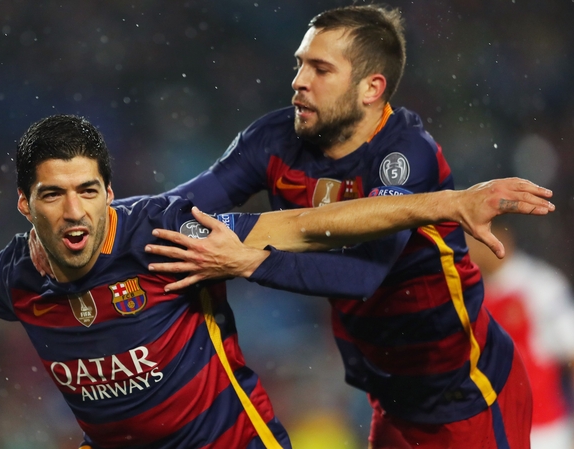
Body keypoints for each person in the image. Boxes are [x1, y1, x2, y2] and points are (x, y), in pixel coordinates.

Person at [0, 115, 552, 449]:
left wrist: (447, 202)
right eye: (54, 193)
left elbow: (312, 225)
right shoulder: (16, 274)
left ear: (108, 190)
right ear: (25, 203)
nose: (75, 210)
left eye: (89, 190)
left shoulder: (165, 231)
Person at [118, 4, 540, 448]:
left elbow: (362, 274)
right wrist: (105, 218)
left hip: (466, 394)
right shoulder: (273, 139)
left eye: (321, 69)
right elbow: (179, 207)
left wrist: (248, 261)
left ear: (370, 88)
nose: (299, 81)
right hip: (391, 393)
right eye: (300, 64)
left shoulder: (407, 156)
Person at [466, 223, 574, 449]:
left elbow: (571, 351)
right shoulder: (470, 290)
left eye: (473, 238)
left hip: (542, 432)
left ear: (500, 236)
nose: (468, 247)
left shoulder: (540, 285)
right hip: (489, 430)